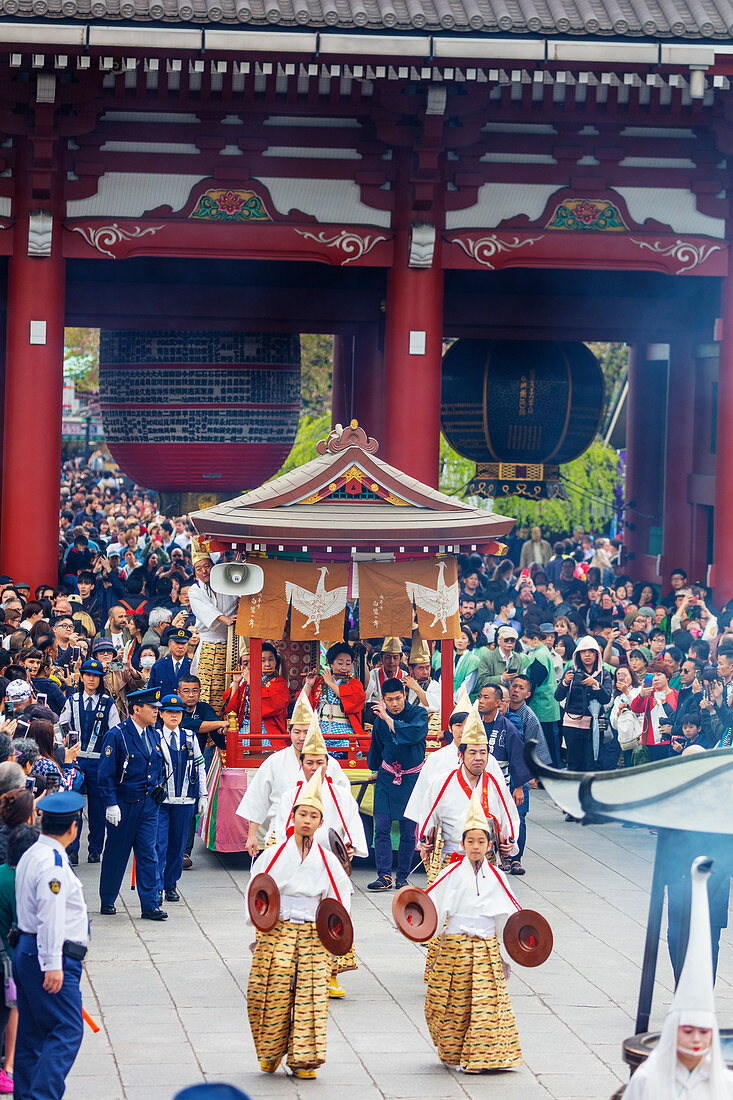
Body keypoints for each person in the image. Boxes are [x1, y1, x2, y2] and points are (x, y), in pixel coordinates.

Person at [246, 771, 352, 1079]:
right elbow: (256, 892)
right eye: (302, 814)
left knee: (311, 997)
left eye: (313, 816)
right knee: (265, 991)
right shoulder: (272, 855)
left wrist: (334, 940)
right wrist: (259, 928)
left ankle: (304, 1059)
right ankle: (269, 1051)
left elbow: (340, 902)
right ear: (293, 817)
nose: (306, 820)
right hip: (277, 928)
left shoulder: (329, 862)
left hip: (313, 934)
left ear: (321, 823)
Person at [423, 793, 522, 1074]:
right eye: (470, 841)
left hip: (485, 949)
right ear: (462, 844)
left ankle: (482, 1057)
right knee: (447, 1003)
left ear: (490, 845)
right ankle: (453, 1051)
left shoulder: (499, 877)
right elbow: (429, 907)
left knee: (485, 1005)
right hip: (454, 947)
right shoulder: (449, 873)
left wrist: (509, 951)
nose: (475, 847)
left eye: (481, 841)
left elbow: (512, 916)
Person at [270, 716, 366, 999]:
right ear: (301, 763)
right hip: (298, 865)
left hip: (331, 869)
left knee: (334, 917)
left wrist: (350, 848)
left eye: (319, 762)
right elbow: (280, 830)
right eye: (309, 762)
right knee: (296, 918)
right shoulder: (291, 796)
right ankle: (293, 970)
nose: (314, 767)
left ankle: (332, 974)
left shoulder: (340, 794)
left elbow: (352, 827)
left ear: (328, 763)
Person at [622, 857, 733, 1099]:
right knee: (675, 939)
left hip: (717, 884)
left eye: (703, 1032)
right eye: (688, 1030)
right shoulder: (647, 1079)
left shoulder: (725, 1083)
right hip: (679, 881)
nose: (696, 1039)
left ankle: (698, 992)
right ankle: (681, 989)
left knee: (708, 942)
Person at [13, 791, 89, 1100]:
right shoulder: (55, 862)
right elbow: (51, 915)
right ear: (74, 827)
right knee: (68, 1029)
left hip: (27, 951)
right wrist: (53, 965)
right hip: (49, 956)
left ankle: (27, 1093)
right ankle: (41, 1096)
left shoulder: (33, 852)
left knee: (32, 1034)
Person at [412, 703, 519, 886]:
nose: (478, 757)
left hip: (486, 860)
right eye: (472, 752)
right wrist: (424, 840)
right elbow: (427, 814)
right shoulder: (443, 783)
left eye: (483, 752)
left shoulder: (495, 784)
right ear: (460, 756)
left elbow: (508, 817)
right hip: (450, 857)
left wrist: (509, 841)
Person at [235, 689, 349, 856]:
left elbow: (344, 803)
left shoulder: (329, 764)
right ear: (289, 733)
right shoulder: (275, 761)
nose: (302, 737)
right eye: (297, 732)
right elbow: (257, 799)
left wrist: (345, 839)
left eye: (306, 731)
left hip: (319, 834)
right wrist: (252, 836)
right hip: (280, 833)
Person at [97, 687, 168, 920]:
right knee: (117, 853)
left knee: (149, 853)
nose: (157, 712)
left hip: (148, 805)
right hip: (124, 804)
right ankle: (108, 898)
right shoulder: (117, 735)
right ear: (137, 709)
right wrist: (110, 803)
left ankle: (150, 905)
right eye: (152, 708)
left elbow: (156, 767)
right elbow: (105, 774)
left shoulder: (153, 734)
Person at [366, 677, 427, 891]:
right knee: (381, 827)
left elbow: (412, 735)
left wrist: (388, 719)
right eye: (389, 700)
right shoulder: (379, 720)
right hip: (386, 776)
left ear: (405, 696)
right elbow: (377, 748)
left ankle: (402, 876)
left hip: (411, 778)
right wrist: (375, 770)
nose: (394, 704)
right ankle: (383, 875)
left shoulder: (419, 715)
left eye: (398, 698)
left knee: (407, 830)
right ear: (383, 698)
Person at [59, 658, 120, 864]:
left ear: (100, 679)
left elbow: (114, 733)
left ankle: (95, 848)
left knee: (97, 808)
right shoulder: (72, 700)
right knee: (73, 806)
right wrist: (66, 744)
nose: (92, 679)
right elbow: (61, 725)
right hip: (75, 761)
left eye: (96, 676)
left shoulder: (108, 703)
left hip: (98, 762)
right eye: (88, 675)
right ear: (82, 677)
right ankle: (72, 849)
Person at [155, 693, 207, 904]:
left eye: (177, 712)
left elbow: (199, 766)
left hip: (185, 800)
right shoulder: (154, 735)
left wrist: (203, 795)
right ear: (161, 714)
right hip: (161, 802)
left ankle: (171, 885)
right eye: (169, 712)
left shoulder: (190, 737)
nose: (174, 716)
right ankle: (156, 886)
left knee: (177, 847)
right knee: (159, 845)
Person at [0, 824, 39, 1095]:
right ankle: (8, 1067)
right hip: (9, 960)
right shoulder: (18, 882)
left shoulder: (2, 873)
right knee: (12, 1010)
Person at [477, 685, 532, 874]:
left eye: (486, 697)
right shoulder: (475, 723)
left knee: (513, 818)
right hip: (479, 781)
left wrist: (519, 786)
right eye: (480, 697)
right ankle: (492, 856)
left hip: (503, 780)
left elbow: (518, 755)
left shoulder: (507, 726)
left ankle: (515, 858)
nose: (481, 701)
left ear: (497, 702)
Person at [187, 544, 238, 715]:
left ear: (213, 566)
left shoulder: (228, 583)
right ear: (195, 573)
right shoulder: (195, 590)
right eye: (199, 569)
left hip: (232, 641)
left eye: (207, 566)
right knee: (208, 688)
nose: (204, 571)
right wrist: (227, 620)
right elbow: (206, 611)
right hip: (210, 643)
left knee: (230, 683)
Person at [554, 636, 612, 778]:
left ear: (597, 654)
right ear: (578, 654)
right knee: (573, 764)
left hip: (593, 726)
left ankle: (588, 796)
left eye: (591, 651)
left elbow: (606, 699)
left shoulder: (604, 673)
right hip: (571, 724)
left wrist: (595, 684)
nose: (587, 655)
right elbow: (558, 697)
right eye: (583, 651)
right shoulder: (571, 671)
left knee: (591, 764)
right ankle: (573, 795)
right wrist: (565, 682)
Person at [224, 642, 290, 751]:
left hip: (267, 732)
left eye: (271, 659)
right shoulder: (246, 683)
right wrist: (236, 683)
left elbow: (270, 705)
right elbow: (232, 709)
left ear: (276, 661)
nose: (267, 664)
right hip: (244, 730)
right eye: (262, 660)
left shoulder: (279, 682)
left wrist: (251, 681)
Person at [522, 624, 562, 768]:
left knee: (548, 745)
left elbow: (535, 681)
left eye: (526, 642)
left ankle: (552, 774)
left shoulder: (539, 655)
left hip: (543, 705)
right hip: (547, 704)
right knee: (551, 743)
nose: (525, 645)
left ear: (535, 639)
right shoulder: (543, 652)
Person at [629, 660, 678, 763]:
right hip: (650, 743)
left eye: (659, 675)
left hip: (672, 741)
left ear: (667, 677)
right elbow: (635, 709)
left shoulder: (676, 695)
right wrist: (641, 696)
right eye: (653, 676)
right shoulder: (647, 696)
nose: (656, 678)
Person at [147, 628, 192, 697]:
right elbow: (151, 693)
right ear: (169, 645)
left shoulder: (192, 666)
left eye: (183, 644)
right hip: (163, 706)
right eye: (177, 643)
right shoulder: (159, 666)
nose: (180, 647)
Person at [404, 634, 441, 713]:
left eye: (427, 668)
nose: (425, 672)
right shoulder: (403, 685)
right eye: (421, 668)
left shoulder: (435, 686)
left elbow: (435, 707)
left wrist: (417, 688)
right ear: (410, 669)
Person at [477, 626, 522, 690]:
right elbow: (482, 681)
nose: (509, 642)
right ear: (499, 640)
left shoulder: (518, 658)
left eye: (512, 640)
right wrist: (501, 678)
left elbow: (521, 680)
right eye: (506, 640)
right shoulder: (487, 657)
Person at [365, 637, 406, 703]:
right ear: (381, 658)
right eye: (388, 657)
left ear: (400, 659)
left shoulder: (406, 677)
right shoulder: (372, 675)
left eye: (395, 658)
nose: (391, 661)